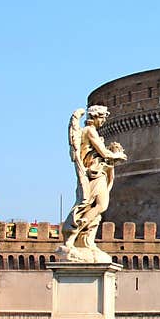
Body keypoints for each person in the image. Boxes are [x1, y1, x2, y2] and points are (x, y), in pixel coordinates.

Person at [62, 105, 127, 262]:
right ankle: (75, 231)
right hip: (94, 174)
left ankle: (86, 240)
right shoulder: (90, 131)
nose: (104, 121)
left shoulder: (91, 132)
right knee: (99, 205)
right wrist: (118, 155)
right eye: (102, 117)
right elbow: (103, 153)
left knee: (95, 209)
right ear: (95, 117)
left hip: (98, 173)